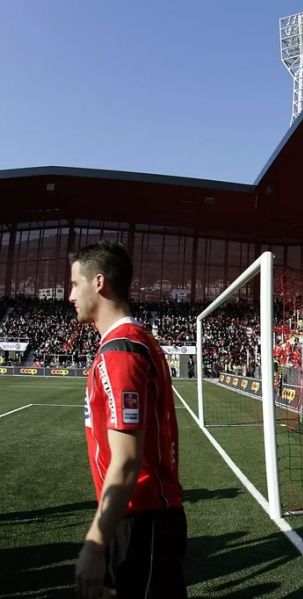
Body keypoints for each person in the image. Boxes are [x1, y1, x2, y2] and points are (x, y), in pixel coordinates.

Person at [70, 241, 186, 599]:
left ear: (99, 282)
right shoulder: (132, 342)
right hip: (140, 515)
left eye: (75, 284)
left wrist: (94, 543)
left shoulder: (121, 350)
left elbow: (127, 461)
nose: (70, 295)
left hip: (143, 517)